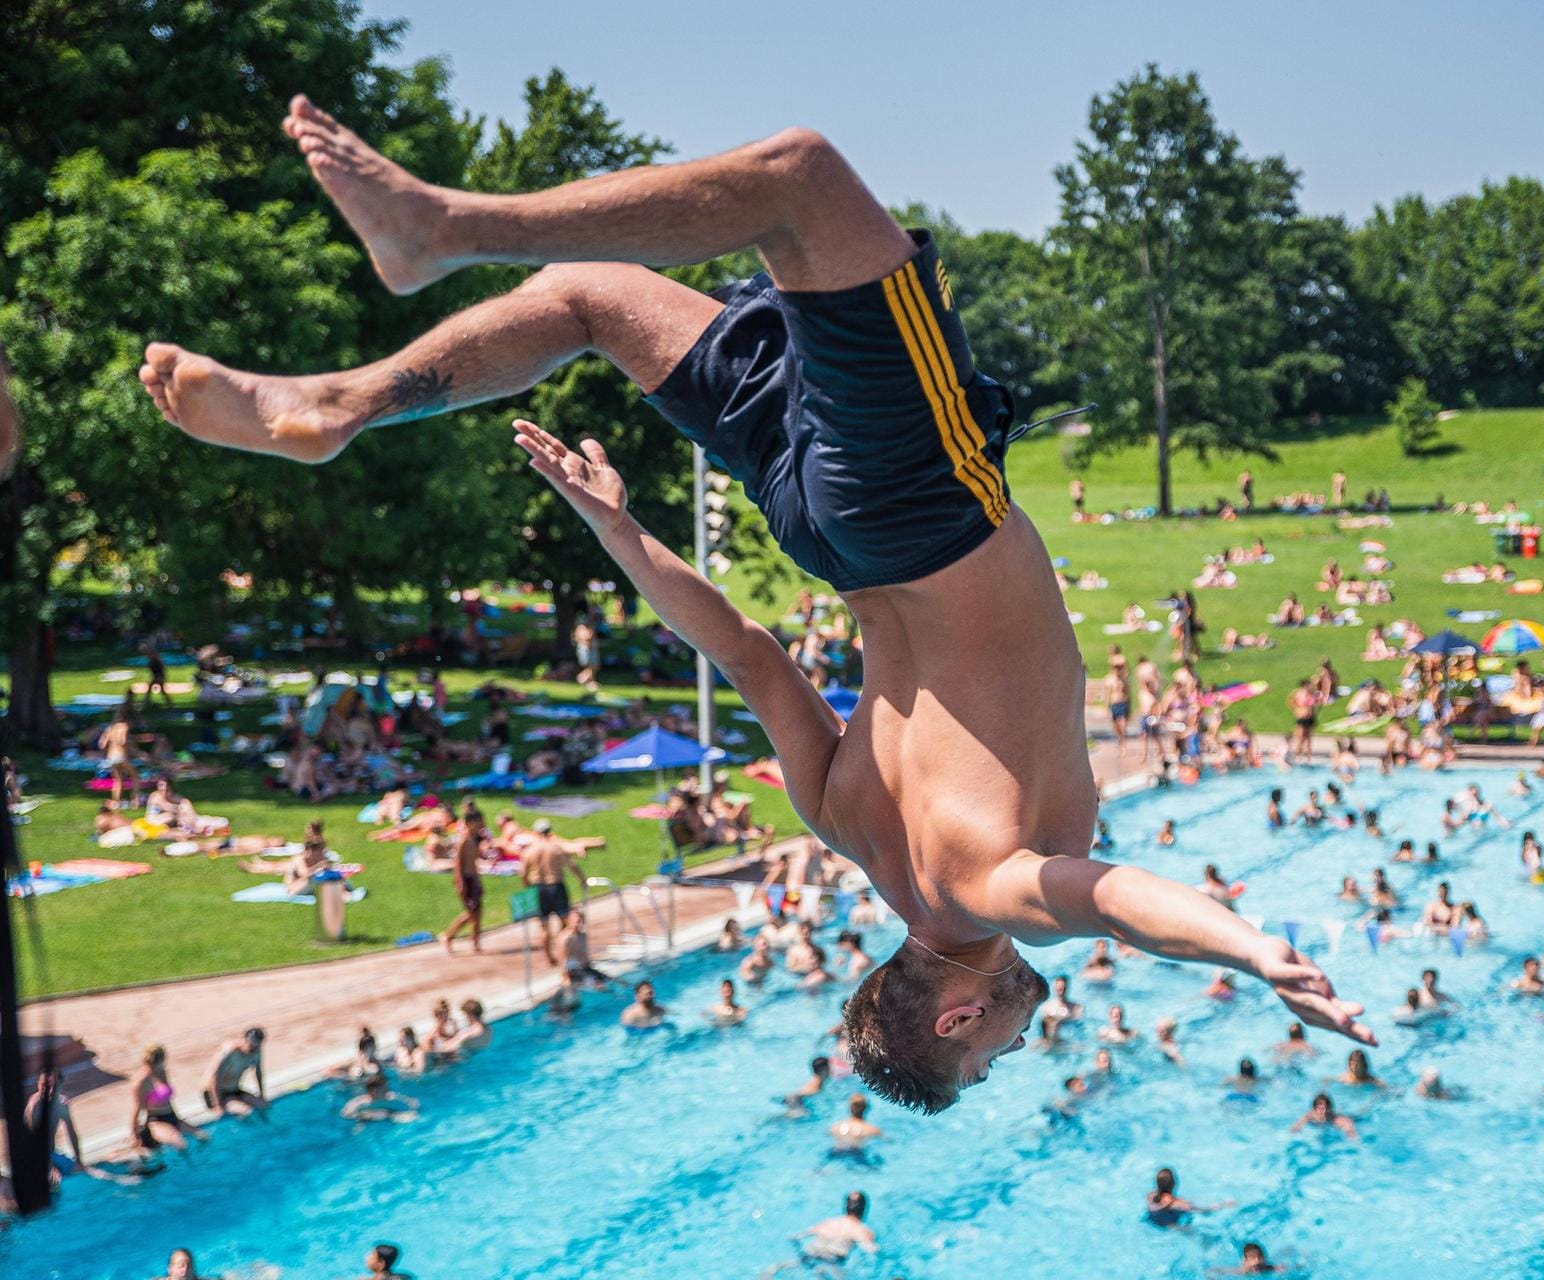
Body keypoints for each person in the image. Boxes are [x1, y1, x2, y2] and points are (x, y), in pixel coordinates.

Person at [145, 100, 1368, 1112]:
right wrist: (621, 532)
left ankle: (435, 230)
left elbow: (1111, 903)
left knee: (800, 182)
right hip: (821, 528)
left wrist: (1253, 950)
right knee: (588, 300)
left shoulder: (984, 894)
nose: (1012, 1047)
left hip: (922, 506)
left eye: (987, 1057)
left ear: (952, 1012)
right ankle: (347, 403)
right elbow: (740, 646)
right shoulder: (846, 826)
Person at [521, 821, 590, 965]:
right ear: (549, 832)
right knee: (564, 922)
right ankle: (563, 952)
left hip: (539, 888)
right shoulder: (555, 848)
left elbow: (523, 873)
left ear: (535, 833)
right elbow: (572, 865)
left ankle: (549, 958)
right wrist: (582, 880)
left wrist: (528, 887)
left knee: (544, 926)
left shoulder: (530, 850)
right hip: (556, 887)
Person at [132, 1045, 203, 1152]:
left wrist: (178, 1119)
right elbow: (138, 1109)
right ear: (160, 1060)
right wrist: (134, 1135)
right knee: (180, 1144)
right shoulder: (142, 1082)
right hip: (156, 1120)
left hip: (172, 1116)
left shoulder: (162, 1073)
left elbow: (168, 1100)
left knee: (202, 1136)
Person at [440, 809, 488, 954]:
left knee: (478, 912)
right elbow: (458, 864)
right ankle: (448, 935)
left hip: (473, 878)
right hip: (466, 879)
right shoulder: (464, 841)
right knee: (471, 912)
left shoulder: (475, 839)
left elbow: (475, 862)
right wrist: (460, 883)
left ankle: (475, 942)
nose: (482, 824)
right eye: (479, 821)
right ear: (470, 823)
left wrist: (478, 881)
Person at [792, 1191, 878, 1267]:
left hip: (810, 1253)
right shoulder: (862, 1230)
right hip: (831, 1259)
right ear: (864, 1210)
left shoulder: (828, 1222)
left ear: (846, 1207)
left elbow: (795, 1237)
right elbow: (870, 1250)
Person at [201, 1026, 269, 1116]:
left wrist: (262, 1095)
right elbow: (212, 1077)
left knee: (264, 1105)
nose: (252, 1049)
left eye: (256, 1046)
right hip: (215, 1093)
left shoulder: (256, 1052)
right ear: (243, 1039)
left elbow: (258, 1073)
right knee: (246, 1111)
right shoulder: (229, 1050)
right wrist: (217, 1105)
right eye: (251, 1045)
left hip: (234, 1090)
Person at [341, 1069, 419, 1122]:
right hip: (366, 1121)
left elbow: (412, 1102)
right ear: (373, 1091)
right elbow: (345, 1113)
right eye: (384, 1088)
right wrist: (365, 1115)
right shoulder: (361, 1102)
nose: (388, 1089)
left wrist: (411, 1103)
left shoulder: (390, 1096)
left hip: (387, 1117)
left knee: (389, 1113)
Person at [1290, 1092, 1358, 1139]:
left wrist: (1350, 1134)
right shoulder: (1309, 1116)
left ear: (1329, 1109)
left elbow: (1348, 1126)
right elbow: (1295, 1128)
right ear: (1313, 1109)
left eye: (1323, 1108)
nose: (1320, 1111)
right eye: (1317, 1108)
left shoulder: (1335, 1119)